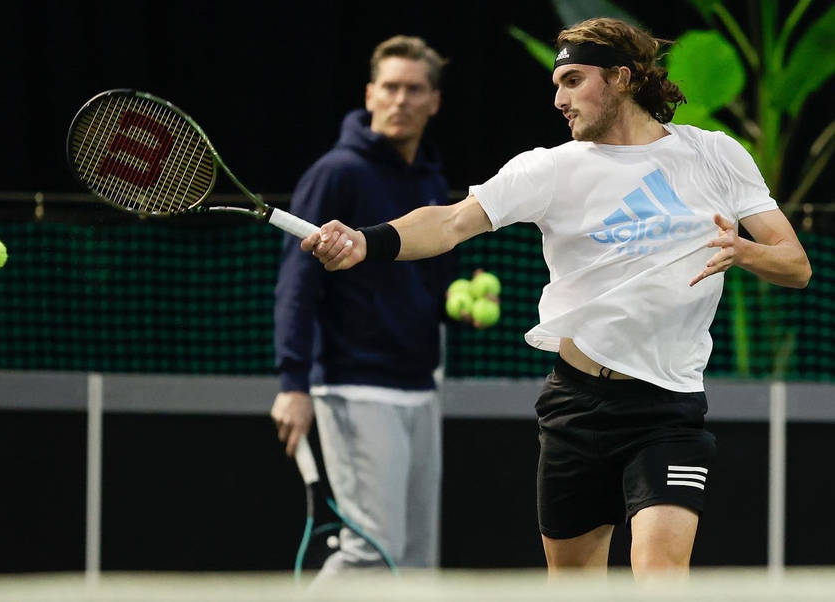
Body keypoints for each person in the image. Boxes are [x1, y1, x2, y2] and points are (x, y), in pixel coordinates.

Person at [302, 18, 812, 579]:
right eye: (555, 85)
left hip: (669, 410)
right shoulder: (549, 169)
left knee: (662, 578)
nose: (559, 99)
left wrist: (743, 251)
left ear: (621, 78)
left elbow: (795, 264)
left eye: (572, 80)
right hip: (577, 408)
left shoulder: (714, 155)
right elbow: (448, 223)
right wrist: (364, 242)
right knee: (573, 589)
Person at [271, 35, 455, 575]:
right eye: (391, 88)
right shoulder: (337, 174)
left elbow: (427, 285)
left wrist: (455, 305)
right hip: (353, 386)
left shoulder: (431, 182)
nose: (401, 100)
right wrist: (292, 383)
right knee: (373, 554)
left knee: (416, 560)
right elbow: (296, 285)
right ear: (370, 94)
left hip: (421, 387)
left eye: (414, 89)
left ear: (433, 102)